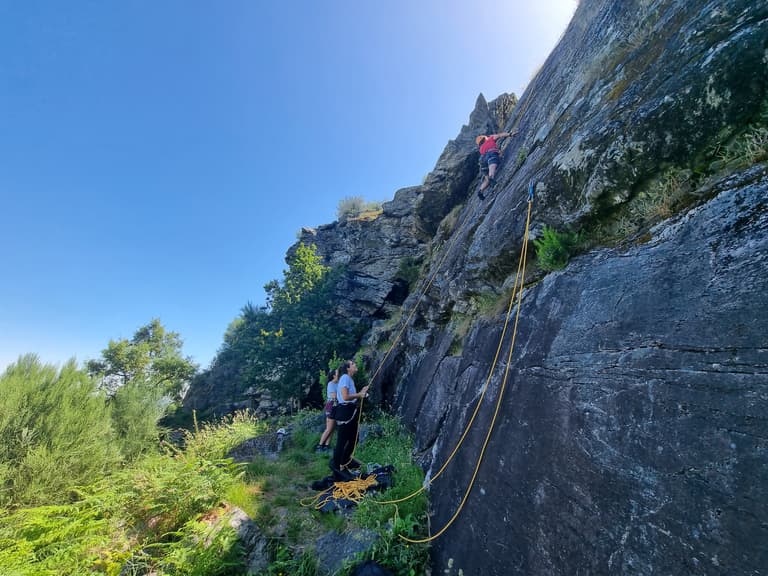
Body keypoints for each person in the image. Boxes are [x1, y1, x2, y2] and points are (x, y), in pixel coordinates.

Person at [330, 360, 370, 481]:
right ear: (348, 368)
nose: (355, 365)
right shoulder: (345, 378)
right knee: (342, 441)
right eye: (353, 364)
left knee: (354, 438)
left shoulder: (348, 379)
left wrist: (361, 392)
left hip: (348, 412)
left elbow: (348, 396)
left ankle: (345, 460)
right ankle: (337, 467)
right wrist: (359, 395)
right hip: (345, 413)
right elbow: (346, 396)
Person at [476, 130, 516, 199]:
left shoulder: (481, 149)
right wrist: (510, 134)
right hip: (491, 153)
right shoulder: (491, 138)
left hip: (482, 161)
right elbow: (500, 135)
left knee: (486, 179)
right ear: (485, 138)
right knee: (492, 165)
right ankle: (492, 178)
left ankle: (480, 191)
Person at [316, 368, 339, 452]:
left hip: (336, 406)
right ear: (334, 375)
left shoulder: (338, 383)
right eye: (337, 373)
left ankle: (326, 446)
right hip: (331, 406)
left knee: (332, 428)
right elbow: (334, 396)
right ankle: (319, 446)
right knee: (329, 428)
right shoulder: (331, 384)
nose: (339, 374)